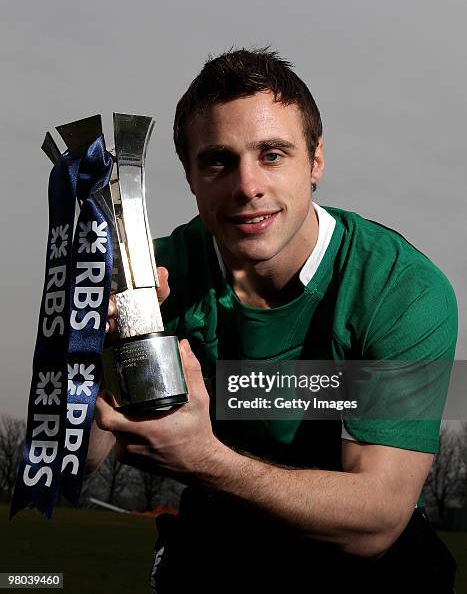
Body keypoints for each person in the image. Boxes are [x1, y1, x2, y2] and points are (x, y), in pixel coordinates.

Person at [90, 49, 458, 592]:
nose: (247, 186)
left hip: (361, 559)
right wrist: (96, 348)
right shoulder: (152, 279)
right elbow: (74, 474)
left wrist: (205, 459)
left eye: (272, 154)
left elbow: (376, 519)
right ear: (190, 176)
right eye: (218, 160)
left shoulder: (399, 289)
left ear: (315, 161)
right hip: (219, 543)